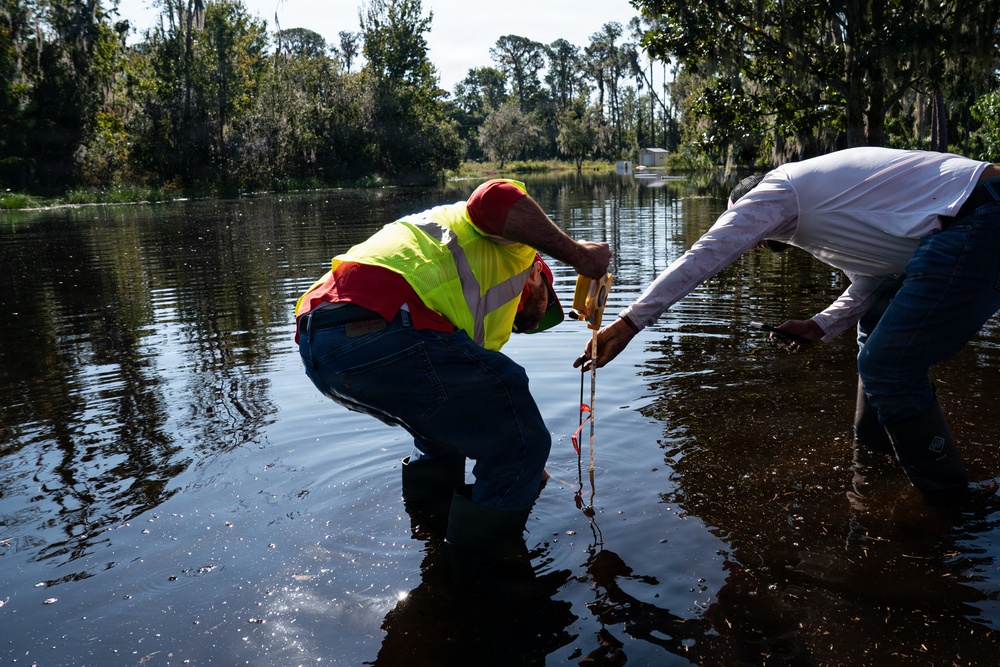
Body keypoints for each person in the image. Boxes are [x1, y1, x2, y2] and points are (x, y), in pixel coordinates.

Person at [575, 147, 1000, 499]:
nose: (755, 244)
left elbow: (705, 256)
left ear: (752, 207)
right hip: (967, 217)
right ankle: (876, 461)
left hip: (976, 215)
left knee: (888, 364)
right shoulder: (831, 215)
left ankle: (952, 502)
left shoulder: (781, 187)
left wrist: (630, 322)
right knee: (873, 326)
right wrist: (819, 325)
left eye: (752, 230)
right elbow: (874, 280)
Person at [295, 179, 611, 565]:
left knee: (447, 433)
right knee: (518, 424)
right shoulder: (518, 249)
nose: (526, 319)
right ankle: (477, 574)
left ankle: (430, 531)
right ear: (536, 275)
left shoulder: (476, 316)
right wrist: (579, 255)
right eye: (543, 302)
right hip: (382, 320)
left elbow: (482, 416)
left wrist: (523, 467)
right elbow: (494, 197)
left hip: (321, 345)